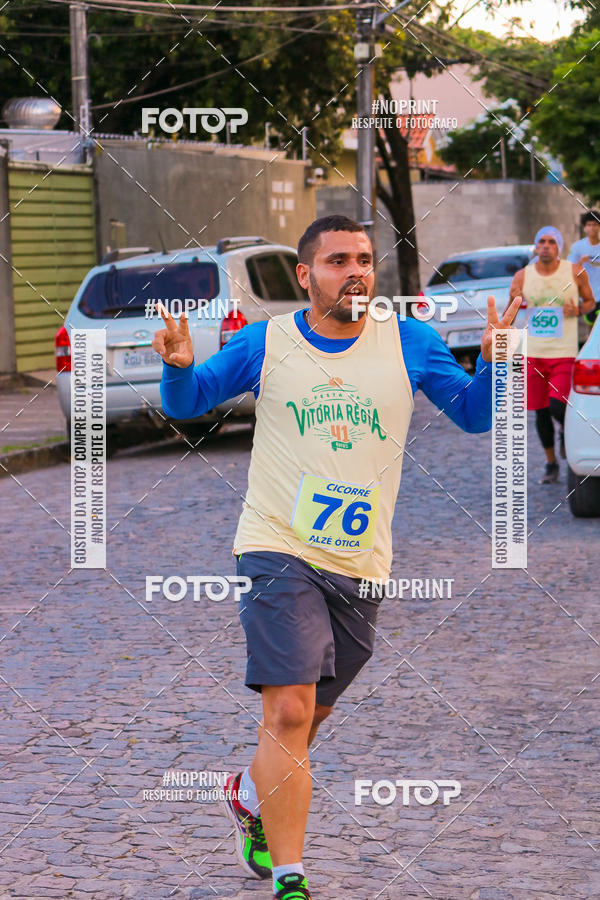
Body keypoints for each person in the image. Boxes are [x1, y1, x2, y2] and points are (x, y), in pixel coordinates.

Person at [154, 215, 522, 900]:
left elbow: (474, 415)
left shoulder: (409, 341)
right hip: (277, 545)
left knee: (308, 719)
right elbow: (193, 400)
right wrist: (176, 370)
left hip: (360, 560)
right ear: (305, 275)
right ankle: (290, 878)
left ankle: (248, 792)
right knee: (288, 712)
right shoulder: (269, 340)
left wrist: (498, 362)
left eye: (363, 259)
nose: (355, 271)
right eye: (336, 261)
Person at [508, 226, 595, 484]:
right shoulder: (523, 276)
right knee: (541, 411)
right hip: (533, 354)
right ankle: (550, 462)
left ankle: (565, 434)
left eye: (551, 242)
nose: (545, 246)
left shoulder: (575, 272)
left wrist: (578, 310)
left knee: (559, 405)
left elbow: (590, 303)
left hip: (564, 353)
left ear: (558, 247)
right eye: (541, 242)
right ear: (536, 247)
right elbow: (511, 310)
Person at [568, 210, 600, 327]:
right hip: (588, 297)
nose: (592, 228)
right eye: (589, 225)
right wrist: (581, 262)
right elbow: (570, 270)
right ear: (584, 227)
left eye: (595, 224)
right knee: (591, 331)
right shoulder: (577, 247)